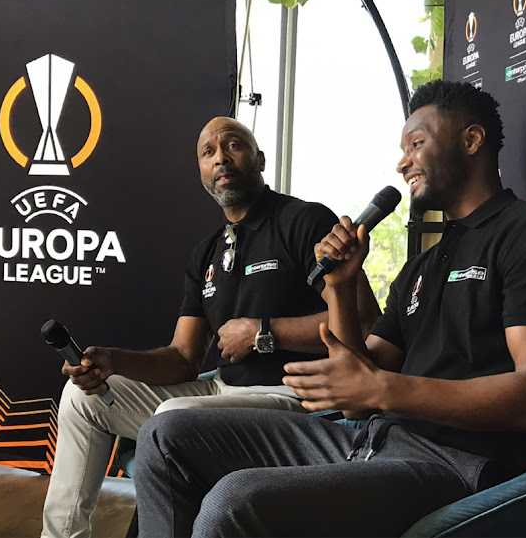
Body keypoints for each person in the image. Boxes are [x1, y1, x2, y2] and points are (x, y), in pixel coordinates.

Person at [133, 81, 526, 538]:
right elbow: (360, 377)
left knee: (233, 502)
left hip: (453, 463)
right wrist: (341, 288)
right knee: (164, 438)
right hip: (369, 440)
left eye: (417, 143)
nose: (403, 161)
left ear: (471, 140)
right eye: (402, 148)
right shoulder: (425, 263)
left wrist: (384, 391)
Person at [40, 116, 381, 538]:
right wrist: (112, 361)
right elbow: (183, 358)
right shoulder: (207, 251)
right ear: (201, 172)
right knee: (81, 396)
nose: (221, 157)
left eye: (233, 145)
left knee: (171, 416)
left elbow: (363, 321)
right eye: (208, 152)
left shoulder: (304, 221)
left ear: (258, 159)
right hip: (219, 389)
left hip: (291, 396)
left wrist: (262, 332)